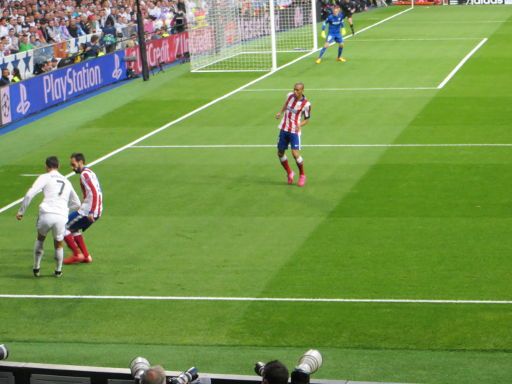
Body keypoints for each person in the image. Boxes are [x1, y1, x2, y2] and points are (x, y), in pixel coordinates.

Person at [16, 156, 81, 278]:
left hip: (46, 213)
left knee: (40, 238)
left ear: (46, 166)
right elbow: (77, 203)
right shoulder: (67, 181)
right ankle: (58, 271)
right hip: (61, 216)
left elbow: (30, 194)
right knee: (58, 243)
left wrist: (21, 211)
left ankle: (36, 268)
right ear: (58, 166)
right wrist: (65, 209)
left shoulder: (45, 177)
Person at [64, 153, 103, 264]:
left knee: (63, 226)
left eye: (74, 164)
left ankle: (77, 255)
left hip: (89, 211)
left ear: (81, 162)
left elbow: (94, 192)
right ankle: (86, 256)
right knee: (74, 229)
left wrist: (91, 211)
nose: (72, 168)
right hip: (93, 210)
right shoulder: (90, 173)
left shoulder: (84, 175)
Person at [275, 83, 311, 187]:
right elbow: (286, 105)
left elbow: (307, 119)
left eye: (297, 90)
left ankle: (302, 175)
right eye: (294, 89)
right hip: (284, 128)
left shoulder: (306, 104)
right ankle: (290, 173)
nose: (295, 92)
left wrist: (299, 125)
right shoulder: (289, 96)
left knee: (295, 154)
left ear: (302, 90)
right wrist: (280, 112)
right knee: (280, 153)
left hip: (294, 131)